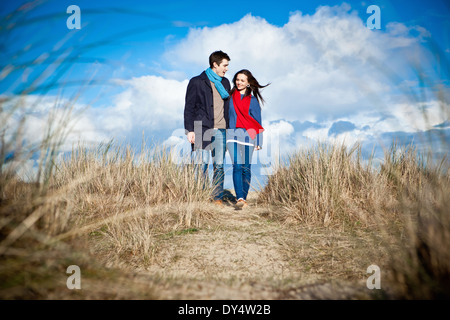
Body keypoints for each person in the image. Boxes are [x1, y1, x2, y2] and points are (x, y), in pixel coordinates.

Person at [184, 50, 231, 206]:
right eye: (224, 65)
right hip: (200, 128)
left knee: (219, 165)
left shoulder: (225, 83)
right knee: (201, 165)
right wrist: (189, 130)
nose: (227, 69)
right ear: (215, 65)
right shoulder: (197, 81)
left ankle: (217, 197)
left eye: (227, 66)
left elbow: (228, 106)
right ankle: (200, 196)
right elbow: (189, 108)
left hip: (221, 129)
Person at [227, 69, 269, 209]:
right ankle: (239, 197)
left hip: (248, 136)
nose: (239, 82)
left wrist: (259, 141)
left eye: (242, 80)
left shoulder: (253, 101)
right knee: (237, 166)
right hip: (232, 135)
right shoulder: (229, 96)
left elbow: (258, 121)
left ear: (248, 83)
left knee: (246, 168)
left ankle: (243, 198)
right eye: (237, 79)